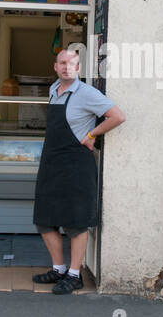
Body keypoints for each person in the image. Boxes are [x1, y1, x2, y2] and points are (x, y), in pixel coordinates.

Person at [32, 48, 125, 293]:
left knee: (75, 222)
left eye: (71, 64)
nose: (66, 67)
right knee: (44, 219)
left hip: (76, 164)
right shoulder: (54, 90)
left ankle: (75, 275)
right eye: (62, 63)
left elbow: (117, 116)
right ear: (55, 66)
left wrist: (92, 134)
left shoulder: (86, 93)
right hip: (52, 162)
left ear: (78, 69)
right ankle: (58, 269)